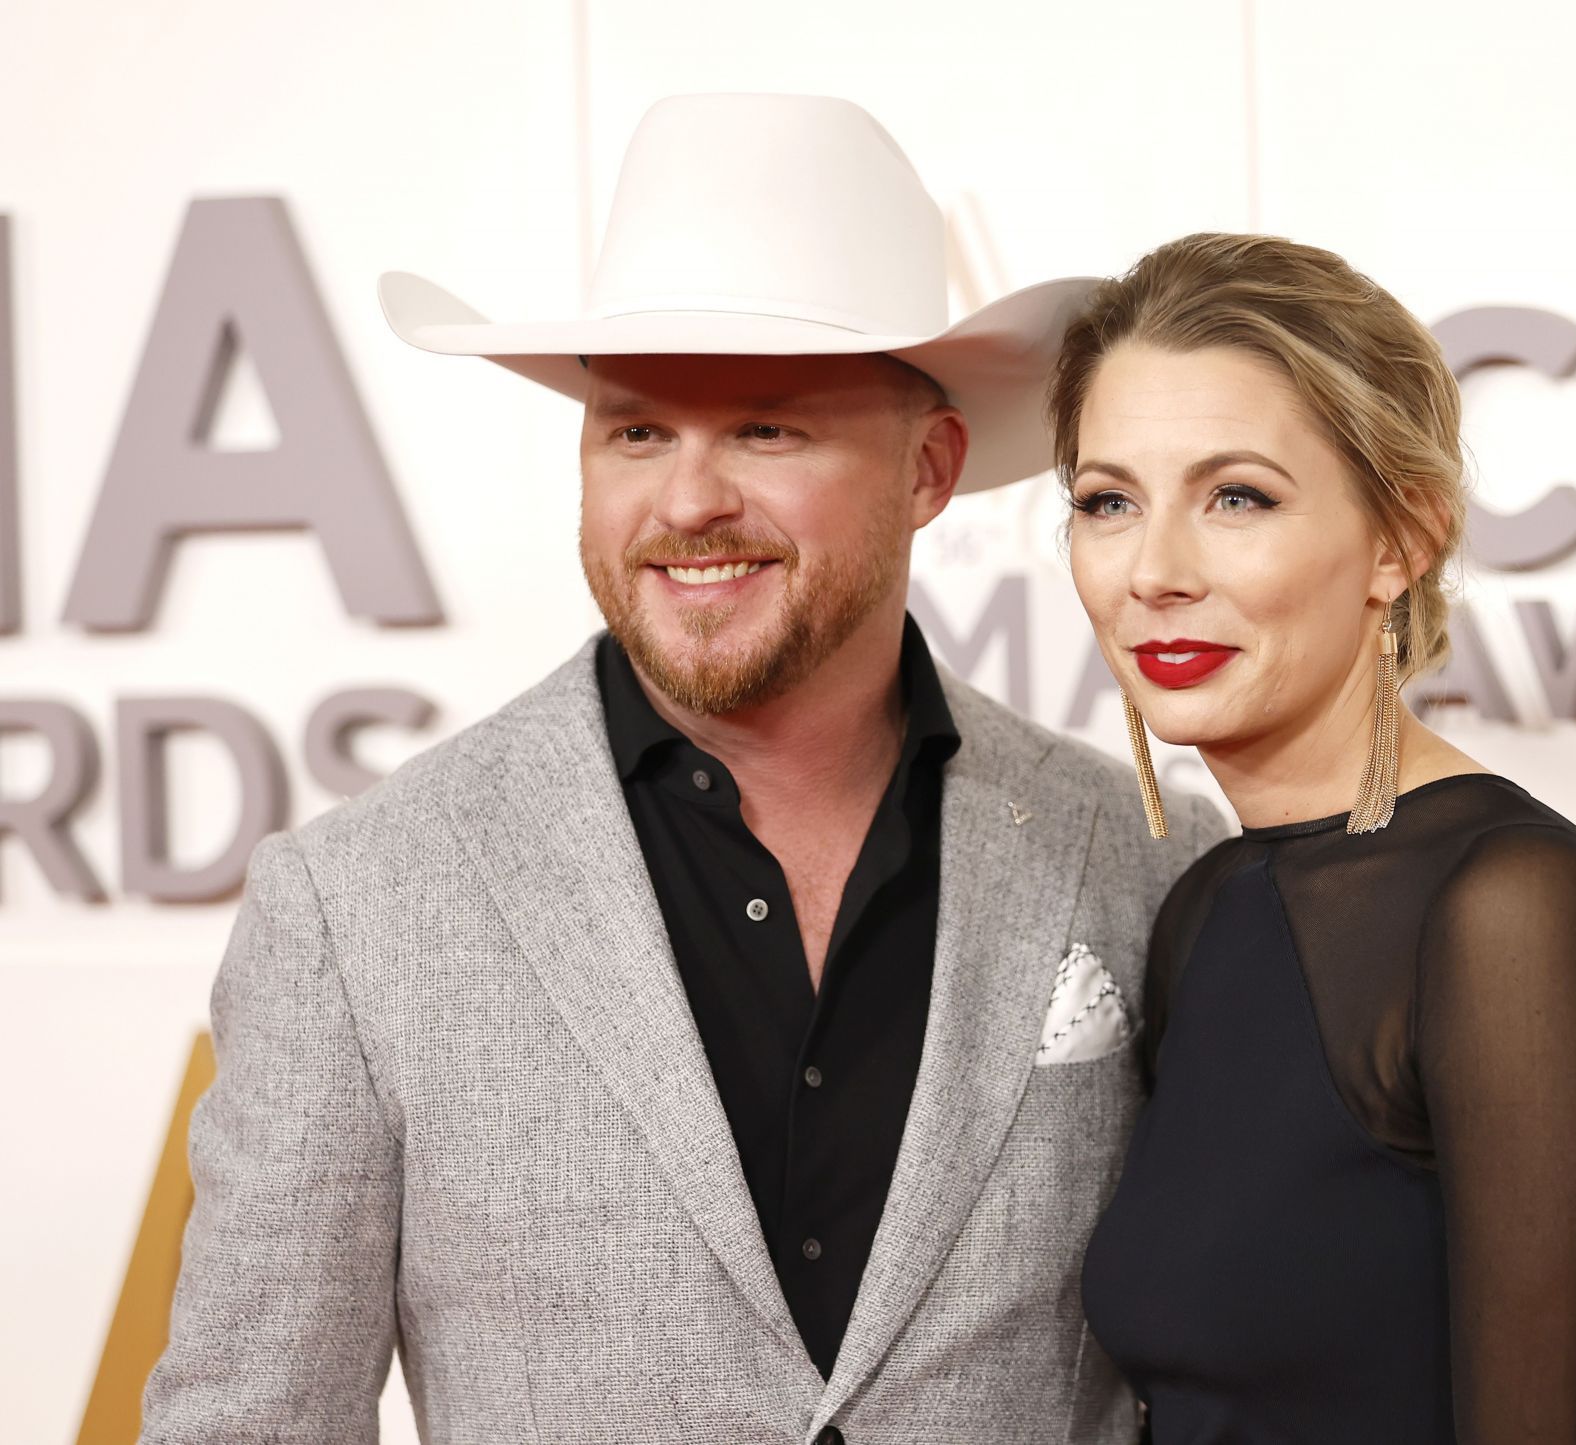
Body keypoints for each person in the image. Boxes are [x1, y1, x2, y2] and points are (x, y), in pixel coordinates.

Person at [139, 95, 1228, 1445]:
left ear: (931, 468)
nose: (689, 500)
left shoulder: (1143, 848)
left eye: (768, 431)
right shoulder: (357, 906)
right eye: (637, 431)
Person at [1055, 232, 1576, 1443]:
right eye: (1108, 501)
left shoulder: (1511, 904)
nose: (1157, 570)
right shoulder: (1207, 903)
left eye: (1238, 496)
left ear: (1402, 539)